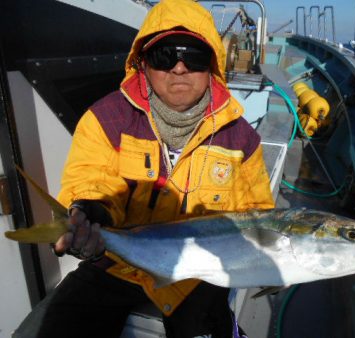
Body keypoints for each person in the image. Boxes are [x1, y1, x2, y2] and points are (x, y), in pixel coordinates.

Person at [16, 0, 274, 337]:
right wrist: (89, 214)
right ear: (143, 63)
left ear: (212, 64)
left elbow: (259, 215)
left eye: (193, 56)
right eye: (164, 55)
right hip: (118, 267)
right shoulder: (106, 118)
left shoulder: (242, 138)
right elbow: (91, 180)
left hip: (197, 277)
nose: (179, 68)